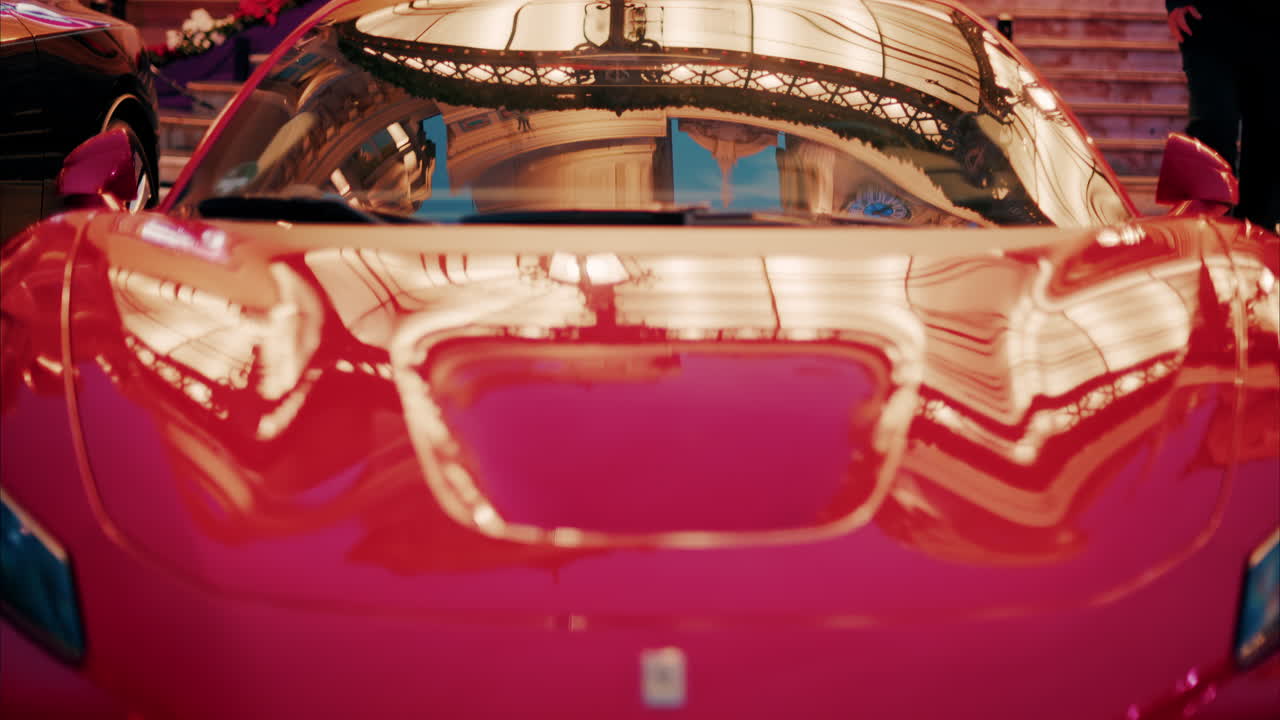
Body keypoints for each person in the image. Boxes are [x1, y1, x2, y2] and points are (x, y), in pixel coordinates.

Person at [1167, 1, 1279, 232]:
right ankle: (1207, 232)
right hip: (1208, 20)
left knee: (1268, 134)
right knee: (1213, 127)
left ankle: (1258, 238)